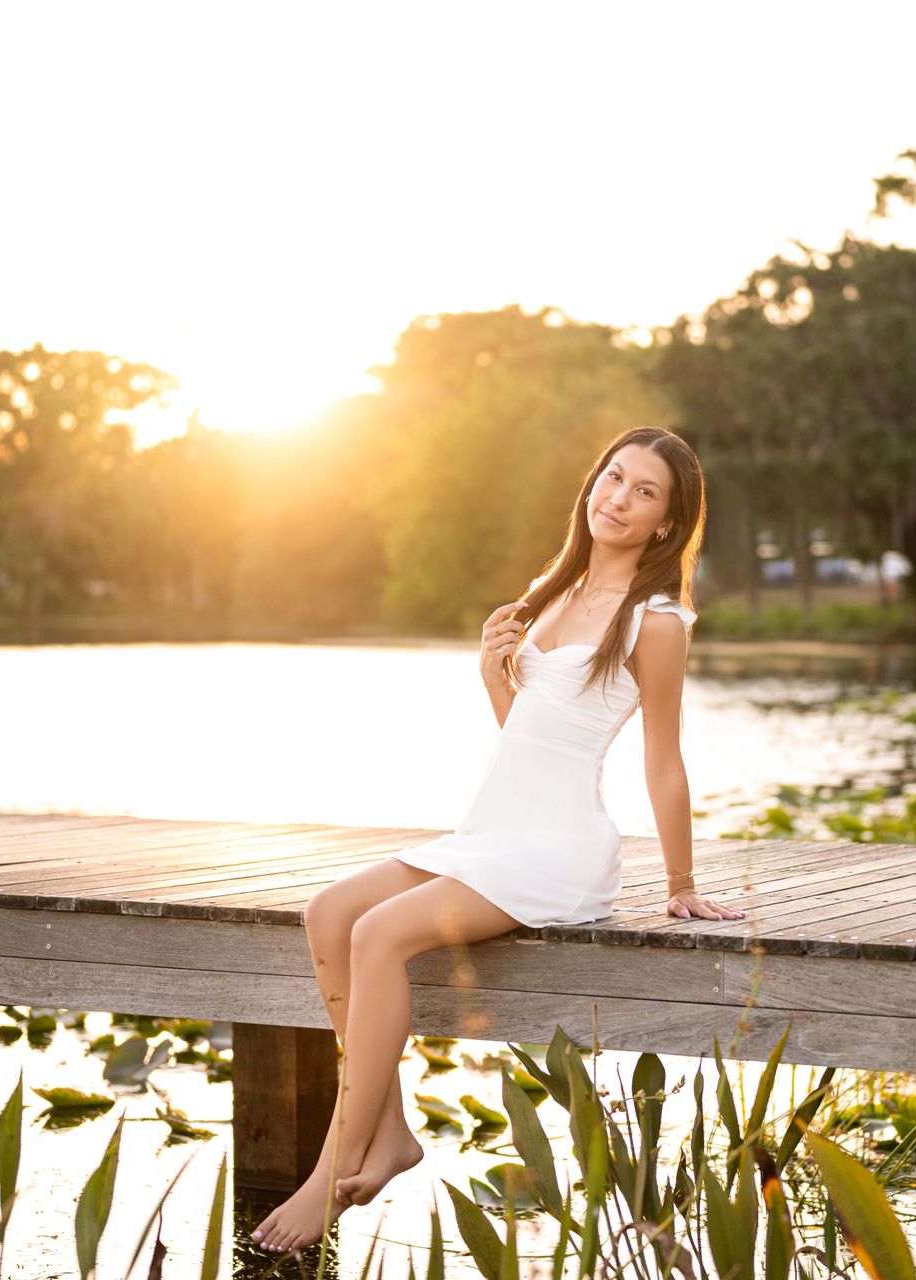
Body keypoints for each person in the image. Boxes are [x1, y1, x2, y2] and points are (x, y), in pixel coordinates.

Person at [251, 425, 747, 1253]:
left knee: (378, 935)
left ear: (668, 522)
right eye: (612, 478)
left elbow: (664, 760)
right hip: (496, 829)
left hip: (558, 850)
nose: (617, 499)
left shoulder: (656, 622)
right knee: (329, 912)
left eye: (643, 492)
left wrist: (680, 880)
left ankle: (330, 1166)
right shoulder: (554, 591)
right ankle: (392, 1132)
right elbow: (530, 740)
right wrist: (493, 678)